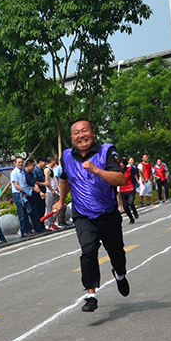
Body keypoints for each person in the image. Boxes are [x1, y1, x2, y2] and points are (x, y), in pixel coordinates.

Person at [53, 119, 129, 313]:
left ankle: (119, 274)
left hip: (108, 212)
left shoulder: (107, 151)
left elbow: (120, 178)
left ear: (93, 133)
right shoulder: (67, 156)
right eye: (76, 133)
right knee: (88, 250)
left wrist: (96, 170)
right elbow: (64, 179)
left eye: (84, 131)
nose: (81, 136)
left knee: (117, 254)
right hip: (83, 214)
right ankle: (91, 294)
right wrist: (61, 201)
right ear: (71, 138)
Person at [11, 157, 34, 237]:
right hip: (18, 194)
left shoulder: (22, 172)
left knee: (26, 212)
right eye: (19, 162)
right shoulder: (14, 172)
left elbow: (24, 184)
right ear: (15, 163)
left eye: (21, 162)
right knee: (21, 214)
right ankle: (23, 231)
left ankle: (28, 230)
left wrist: (27, 191)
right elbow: (16, 185)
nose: (20, 164)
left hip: (23, 194)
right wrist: (24, 191)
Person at [23, 159, 46, 233]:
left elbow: (34, 183)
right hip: (27, 195)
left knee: (38, 210)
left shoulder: (31, 174)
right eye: (33, 165)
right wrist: (33, 189)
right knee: (31, 212)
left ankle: (40, 226)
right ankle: (33, 228)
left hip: (34, 195)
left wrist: (39, 192)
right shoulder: (23, 174)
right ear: (28, 165)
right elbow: (25, 185)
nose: (34, 167)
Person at [119, 158, 139, 224]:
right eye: (120, 163)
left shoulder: (130, 169)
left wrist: (139, 180)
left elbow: (137, 171)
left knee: (130, 202)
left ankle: (134, 211)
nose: (121, 164)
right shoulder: (118, 171)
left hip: (131, 188)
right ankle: (131, 218)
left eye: (122, 163)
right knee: (125, 206)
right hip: (123, 190)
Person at [44, 156, 60, 230]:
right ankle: (49, 224)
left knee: (53, 208)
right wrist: (52, 190)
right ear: (53, 160)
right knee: (49, 208)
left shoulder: (51, 169)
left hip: (53, 190)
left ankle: (53, 223)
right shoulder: (47, 170)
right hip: (49, 192)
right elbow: (47, 182)